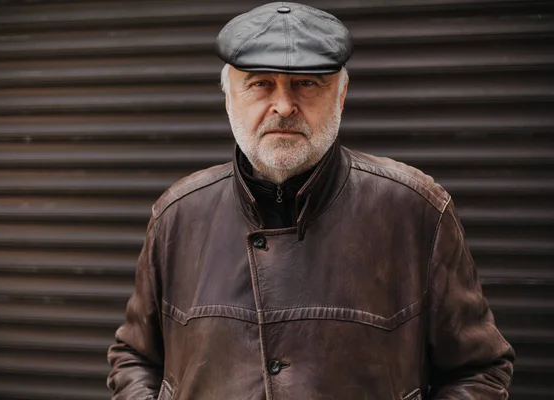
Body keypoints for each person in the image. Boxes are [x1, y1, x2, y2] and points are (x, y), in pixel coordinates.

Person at [107, 2, 515, 399]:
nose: (284, 106)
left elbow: (478, 370)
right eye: (260, 83)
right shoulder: (178, 215)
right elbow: (135, 357)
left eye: (307, 83)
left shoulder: (416, 210)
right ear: (228, 96)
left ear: (341, 95)